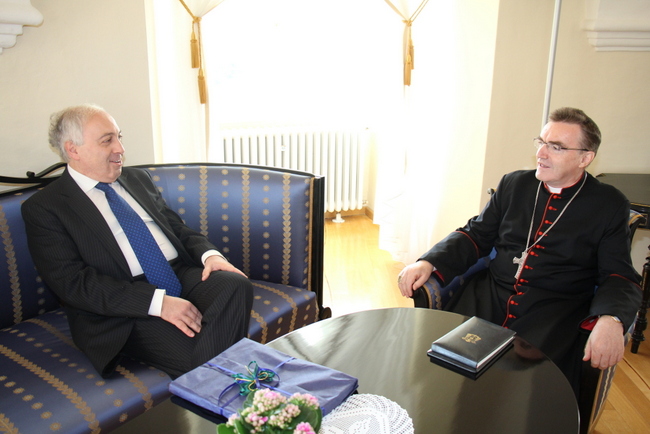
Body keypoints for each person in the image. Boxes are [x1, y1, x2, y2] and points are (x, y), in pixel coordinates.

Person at [397, 107, 641, 394]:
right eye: (541, 142)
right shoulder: (514, 184)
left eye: (556, 147)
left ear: (585, 158)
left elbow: (618, 275)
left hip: (554, 314)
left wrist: (611, 319)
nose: (541, 153)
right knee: (442, 372)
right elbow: (476, 235)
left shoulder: (608, 203)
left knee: (529, 391)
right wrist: (429, 262)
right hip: (488, 298)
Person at [22, 104, 253, 379]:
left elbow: (175, 227)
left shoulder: (136, 178)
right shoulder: (46, 207)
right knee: (198, 351)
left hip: (177, 272)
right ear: (73, 150)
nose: (120, 148)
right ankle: (230, 386)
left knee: (235, 285)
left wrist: (210, 255)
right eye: (107, 140)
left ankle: (218, 385)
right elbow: (73, 284)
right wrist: (159, 303)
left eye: (119, 137)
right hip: (124, 305)